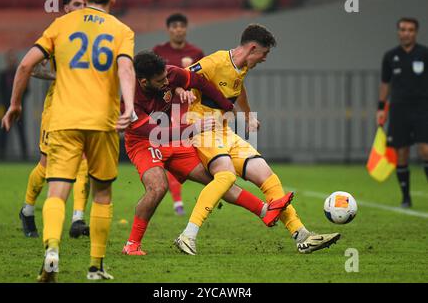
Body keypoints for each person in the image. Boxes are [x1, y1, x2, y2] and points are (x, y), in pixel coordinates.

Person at [1, 0, 136, 282]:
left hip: (63, 120)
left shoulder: (61, 24)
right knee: (102, 192)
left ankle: (51, 250)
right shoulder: (121, 30)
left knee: (56, 190)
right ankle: (96, 266)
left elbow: (24, 65)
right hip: (102, 121)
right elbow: (126, 69)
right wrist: (129, 107)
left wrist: (14, 105)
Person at [174, 24, 340, 255]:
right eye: (264, 53)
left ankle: (302, 236)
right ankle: (188, 235)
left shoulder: (241, 67)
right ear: (252, 48)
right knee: (226, 176)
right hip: (203, 131)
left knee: (267, 175)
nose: (264, 59)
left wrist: (248, 115)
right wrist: (183, 89)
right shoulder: (214, 62)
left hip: (224, 131)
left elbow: (238, 88)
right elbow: (180, 76)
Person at [121, 51, 293, 256]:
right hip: (144, 142)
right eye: (161, 80)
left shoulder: (171, 75)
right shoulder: (128, 100)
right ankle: (132, 245)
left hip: (174, 138)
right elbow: (154, 134)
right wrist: (194, 128)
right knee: (158, 187)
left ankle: (264, 211)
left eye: (167, 76)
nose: (167, 81)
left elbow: (200, 82)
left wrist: (227, 106)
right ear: (143, 82)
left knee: (218, 179)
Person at [18, 0, 91, 240]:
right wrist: (59, 75)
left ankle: (78, 219)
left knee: (84, 160)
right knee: (47, 164)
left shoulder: (97, 31)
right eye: (78, 4)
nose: (83, 8)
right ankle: (27, 210)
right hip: (58, 104)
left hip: (85, 103)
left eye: (86, 3)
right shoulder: (57, 31)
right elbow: (33, 67)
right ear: (66, 8)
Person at [153, 13, 205, 216]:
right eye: (174, 26)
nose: (178, 29)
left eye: (181, 26)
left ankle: (181, 200)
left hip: (189, 112)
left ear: (186, 28)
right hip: (164, 111)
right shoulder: (158, 52)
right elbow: (153, 82)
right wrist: (176, 89)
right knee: (173, 152)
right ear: (168, 29)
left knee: (187, 155)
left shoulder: (196, 52)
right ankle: (177, 202)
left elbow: (202, 80)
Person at [377, 17, 428, 208]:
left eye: (410, 30)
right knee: (402, 153)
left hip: (423, 108)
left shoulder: (424, 54)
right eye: (403, 29)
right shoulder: (390, 56)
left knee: (425, 150)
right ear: (398, 32)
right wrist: (381, 108)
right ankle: (406, 198)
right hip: (399, 109)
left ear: (416, 32)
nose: (406, 33)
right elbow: (385, 83)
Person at [0, 50, 28, 160]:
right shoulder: (3, 75)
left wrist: (17, 102)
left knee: (21, 131)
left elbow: (26, 90)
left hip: (18, 109)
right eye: (9, 59)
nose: (11, 61)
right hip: (6, 107)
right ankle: (0, 155)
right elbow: (0, 89)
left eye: (13, 58)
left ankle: (25, 155)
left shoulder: (19, 74)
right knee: (3, 131)